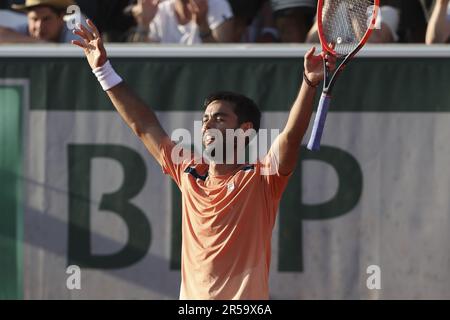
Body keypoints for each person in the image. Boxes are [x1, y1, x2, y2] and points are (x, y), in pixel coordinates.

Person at [72, 19, 335, 299]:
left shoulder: (260, 178)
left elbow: (291, 137)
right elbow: (144, 126)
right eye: (205, 119)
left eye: (220, 118)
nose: (208, 125)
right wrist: (103, 70)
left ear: (245, 131)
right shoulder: (189, 171)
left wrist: (308, 83)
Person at [128, 0, 234, 44]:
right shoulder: (160, 10)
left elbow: (221, 62)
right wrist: (144, 24)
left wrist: (203, 25)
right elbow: (143, 61)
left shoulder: (219, 5)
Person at [0, 0, 80, 43]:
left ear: (61, 18)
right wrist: (42, 43)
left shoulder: (76, 33)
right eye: (34, 19)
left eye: (46, 19)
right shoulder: (24, 29)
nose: (39, 26)